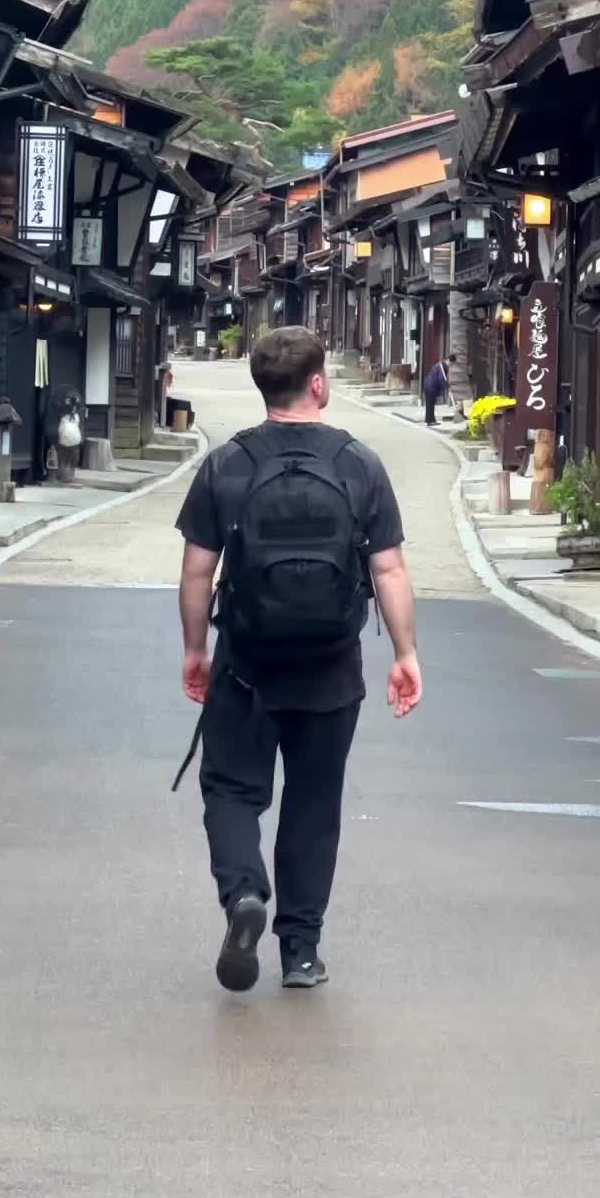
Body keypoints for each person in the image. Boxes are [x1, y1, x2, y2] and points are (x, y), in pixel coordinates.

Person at [176, 326, 422, 994]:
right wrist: (405, 653)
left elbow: (199, 571)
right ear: (319, 384)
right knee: (313, 806)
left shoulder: (227, 465)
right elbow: (390, 568)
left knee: (230, 789)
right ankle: (301, 953)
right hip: (331, 668)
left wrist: (197, 650)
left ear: (263, 387)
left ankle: (243, 897)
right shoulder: (358, 464)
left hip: (246, 662)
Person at [424, 353, 456, 428]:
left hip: (430, 385)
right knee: (430, 404)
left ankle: (431, 420)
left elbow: (444, 379)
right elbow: (441, 378)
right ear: (448, 360)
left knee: (431, 404)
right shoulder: (441, 366)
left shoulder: (443, 365)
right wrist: (446, 387)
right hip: (430, 386)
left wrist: (447, 385)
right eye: (451, 363)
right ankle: (430, 421)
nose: (451, 365)